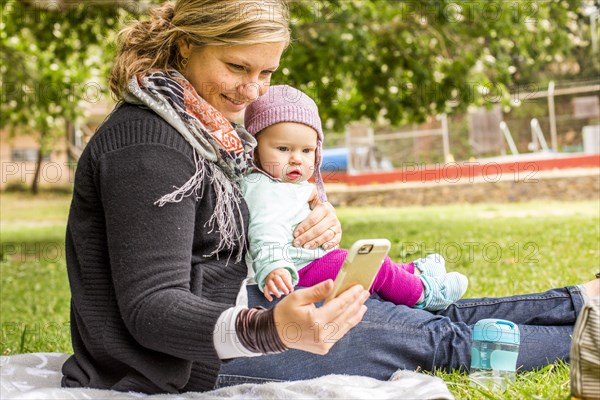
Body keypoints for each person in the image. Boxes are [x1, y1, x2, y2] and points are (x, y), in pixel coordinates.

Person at [61, 0, 600, 394]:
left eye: (266, 72)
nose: (253, 91)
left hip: (251, 301)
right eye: (237, 67)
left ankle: (582, 302)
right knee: (443, 338)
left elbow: (249, 204)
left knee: (428, 308)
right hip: (192, 358)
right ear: (185, 45)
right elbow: (150, 310)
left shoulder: (205, 129)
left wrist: (315, 208)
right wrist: (271, 329)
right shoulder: (148, 147)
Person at [241, 85, 468, 311]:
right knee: (369, 263)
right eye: (283, 148)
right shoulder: (262, 188)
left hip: (310, 264)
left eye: (307, 151)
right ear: (255, 148)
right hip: (296, 274)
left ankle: (413, 272)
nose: (296, 159)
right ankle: (423, 294)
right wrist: (274, 267)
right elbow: (264, 231)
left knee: (371, 262)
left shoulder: (284, 183)